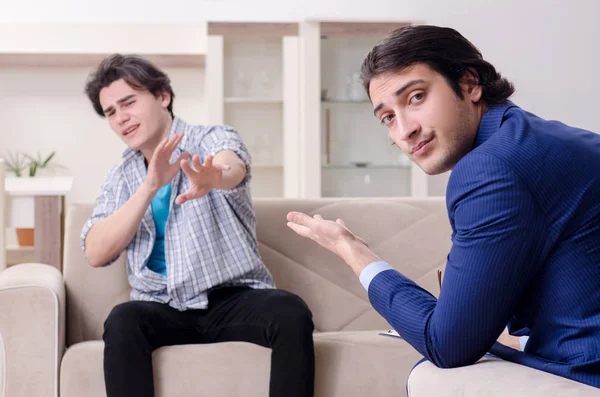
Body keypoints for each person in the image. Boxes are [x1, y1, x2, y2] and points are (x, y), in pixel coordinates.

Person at [286, 25, 600, 388]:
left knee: (431, 376)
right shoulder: (535, 136)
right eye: (387, 117)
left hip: (586, 374)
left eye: (416, 97)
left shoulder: (490, 168)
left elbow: (447, 344)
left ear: (469, 84)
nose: (404, 130)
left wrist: (352, 251)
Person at [81, 54, 315, 397]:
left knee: (290, 311)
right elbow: (95, 252)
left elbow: (230, 165)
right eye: (111, 112)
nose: (121, 118)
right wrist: (149, 185)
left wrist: (212, 177)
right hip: (162, 305)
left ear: (163, 96)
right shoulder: (120, 178)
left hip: (231, 298)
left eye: (128, 102)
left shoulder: (210, 139)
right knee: (123, 320)